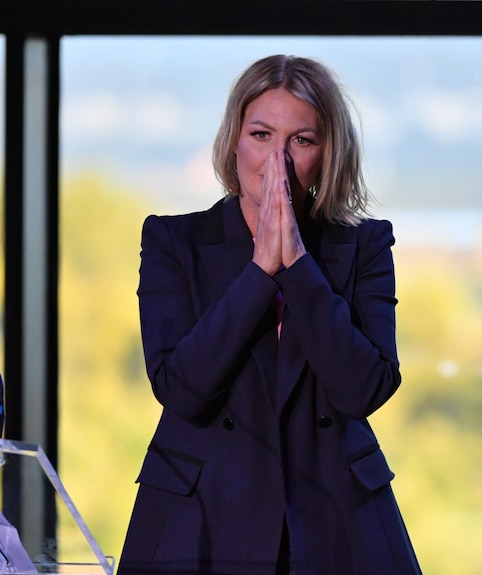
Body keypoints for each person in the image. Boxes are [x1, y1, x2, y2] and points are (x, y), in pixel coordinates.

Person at [117, 55, 421, 575]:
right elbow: (181, 387)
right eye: (261, 134)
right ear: (234, 140)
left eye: (301, 141)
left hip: (335, 519)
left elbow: (362, 390)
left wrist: (298, 266)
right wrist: (260, 271)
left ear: (328, 155)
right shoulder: (173, 241)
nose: (275, 161)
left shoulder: (365, 245)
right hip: (200, 518)